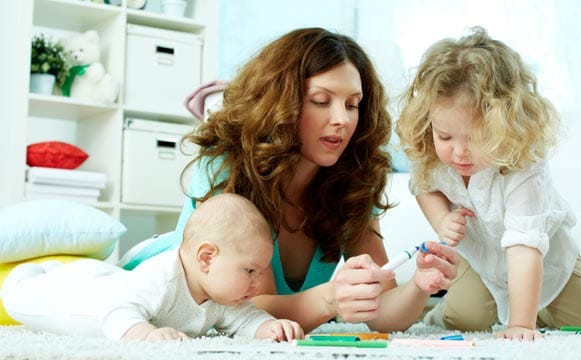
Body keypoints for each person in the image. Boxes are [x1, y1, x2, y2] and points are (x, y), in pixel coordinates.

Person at [124, 27, 460, 333]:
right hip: (155, 280)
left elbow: (381, 311)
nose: (342, 119)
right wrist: (330, 299)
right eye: (321, 101)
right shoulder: (227, 166)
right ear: (280, 103)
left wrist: (419, 285)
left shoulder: (353, 183)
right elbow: (238, 308)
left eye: (353, 105)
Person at [395, 27, 581, 340]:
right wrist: (441, 218)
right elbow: (423, 185)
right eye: (445, 136)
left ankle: (532, 311)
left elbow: (524, 246)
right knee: (463, 319)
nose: (459, 152)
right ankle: (438, 309)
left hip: (542, 258)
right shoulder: (432, 152)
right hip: (480, 256)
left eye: (477, 138)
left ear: (507, 125)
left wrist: (521, 325)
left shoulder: (523, 164)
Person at [1, 194, 304, 342]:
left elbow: (246, 320)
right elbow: (117, 312)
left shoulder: (222, 295)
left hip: (109, 279)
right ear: (207, 258)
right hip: (70, 297)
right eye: (250, 271)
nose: (257, 282)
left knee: (100, 275)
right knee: (20, 294)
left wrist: (270, 328)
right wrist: (145, 335)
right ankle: (35, 271)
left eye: (261, 271)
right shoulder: (163, 276)